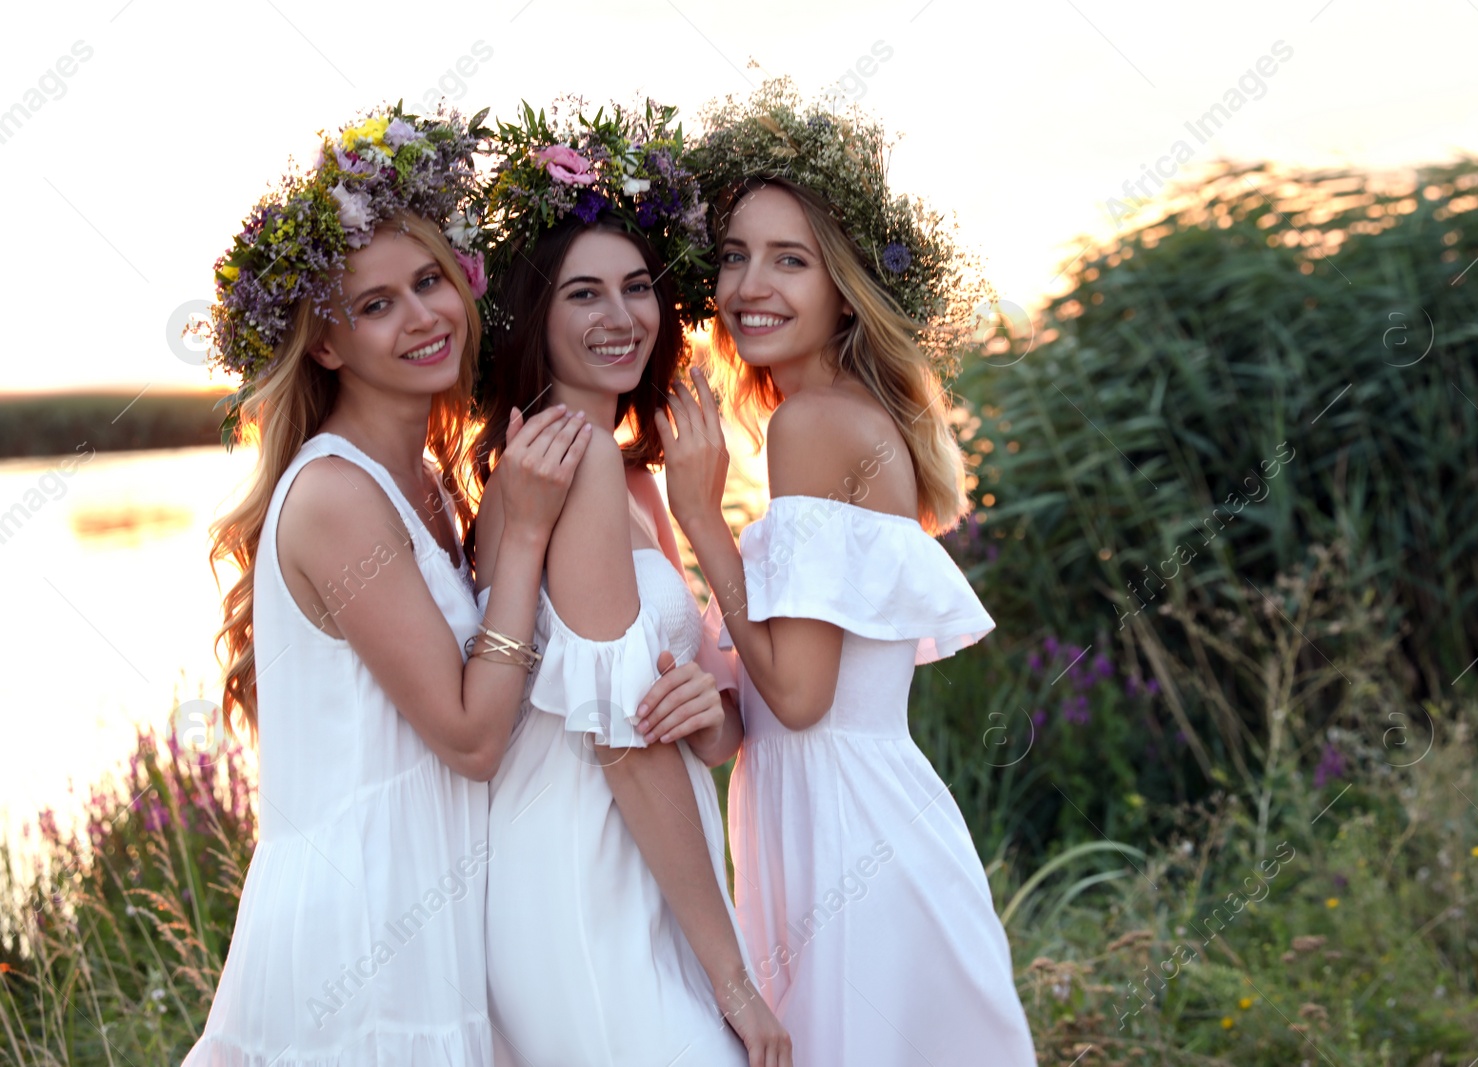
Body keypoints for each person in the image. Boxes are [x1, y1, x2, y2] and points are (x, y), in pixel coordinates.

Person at [187, 106, 592, 1065]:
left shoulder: (425, 484)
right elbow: (467, 735)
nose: (421, 317)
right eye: (376, 305)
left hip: (431, 909)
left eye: (428, 282)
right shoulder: (334, 495)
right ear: (324, 345)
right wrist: (525, 531)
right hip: (361, 934)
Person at [659, 81, 1037, 1065]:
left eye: (791, 259)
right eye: (735, 256)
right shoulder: (836, 416)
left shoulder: (811, 425)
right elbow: (766, 711)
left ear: (843, 284)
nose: (751, 285)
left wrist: (701, 517)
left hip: (848, 847)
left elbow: (802, 690)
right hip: (844, 823)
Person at [467, 101, 791, 1067]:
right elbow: (624, 747)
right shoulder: (577, 467)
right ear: (533, 314)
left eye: (638, 287)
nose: (621, 318)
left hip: (651, 872)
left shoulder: (627, 470)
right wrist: (736, 982)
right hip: (584, 877)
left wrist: (709, 706)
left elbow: (703, 735)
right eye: (583, 295)